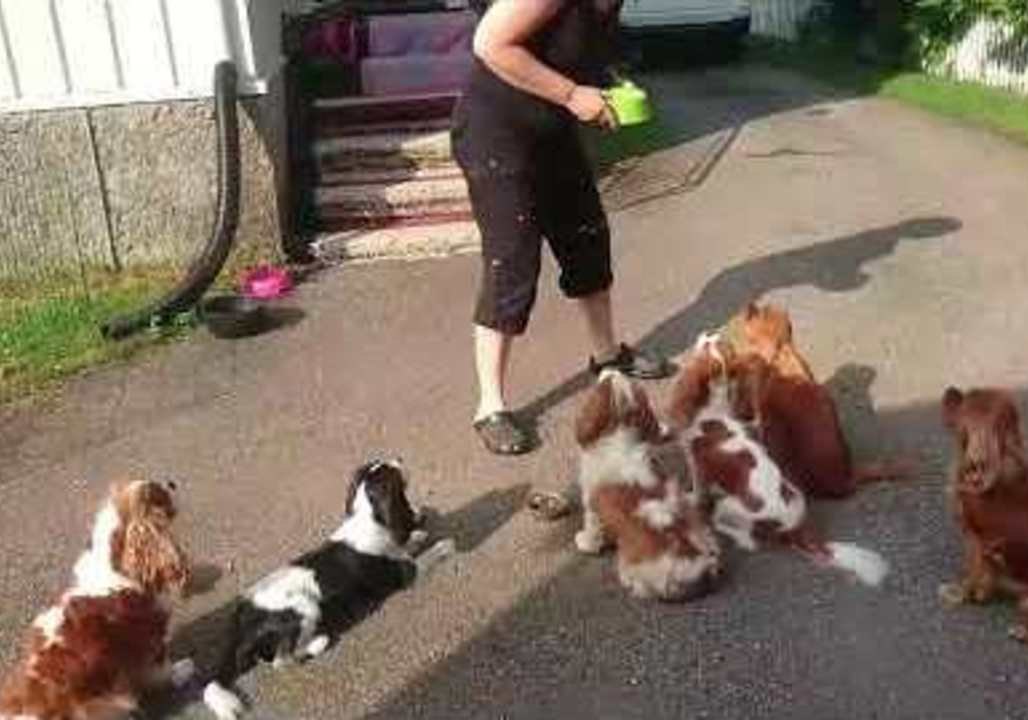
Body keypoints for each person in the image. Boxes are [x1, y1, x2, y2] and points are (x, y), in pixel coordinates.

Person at [452, 0, 671, 456]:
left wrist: (605, 86)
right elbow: (491, 42)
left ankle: (607, 356)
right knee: (512, 262)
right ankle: (490, 404)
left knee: (587, 238)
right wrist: (572, 95)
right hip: (498, 131)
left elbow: (572, 50)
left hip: (552, 131)